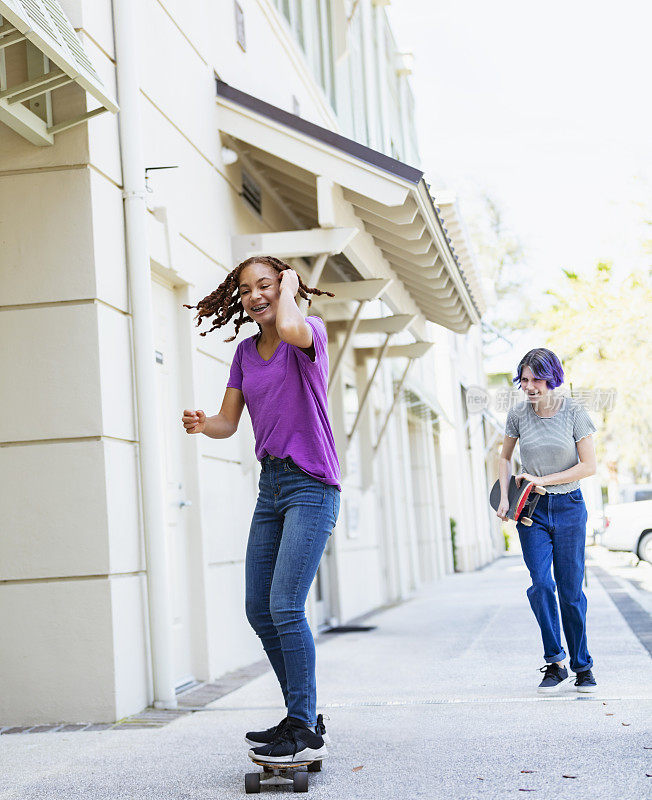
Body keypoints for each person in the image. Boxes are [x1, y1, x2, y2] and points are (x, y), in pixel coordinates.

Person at [181, 256, 341, 763]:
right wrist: (203, 423)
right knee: (259, 607)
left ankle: (303, 725)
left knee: (286, 606)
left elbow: (292, 324)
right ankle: (303, 714)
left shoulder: (307, 331)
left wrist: (290, 291)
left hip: (311, 484)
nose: (255, 296)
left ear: (286, 285)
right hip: (271, 486)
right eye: (246, 289)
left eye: (266, 285)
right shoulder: (246, 354)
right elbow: (229, 422)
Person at [496, 348, 598, 694]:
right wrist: (506, 498)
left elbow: (589, 466)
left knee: (570, 592)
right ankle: (555, 661)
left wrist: (545, 479)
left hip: (569, 506)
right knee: (541, 584)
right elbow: (505, 457)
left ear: (552, 378)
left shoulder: (574, 412)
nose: (529, 386)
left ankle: (582, 666)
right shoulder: (518, 415)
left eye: (536, 379)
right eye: (524, 380)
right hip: (532, 511)